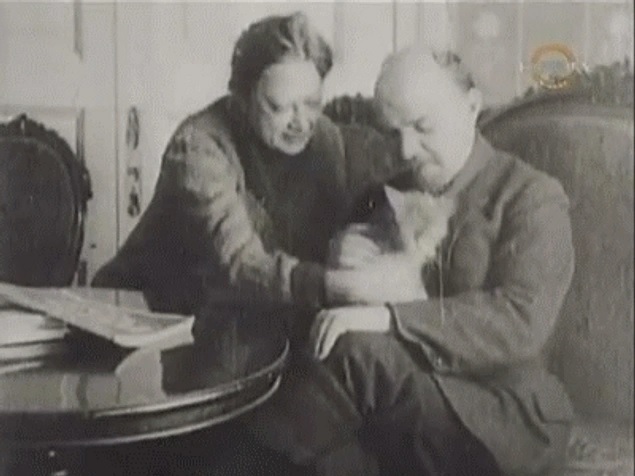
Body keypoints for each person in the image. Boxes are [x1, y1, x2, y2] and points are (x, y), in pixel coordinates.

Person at [246, 46, 576, 476]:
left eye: (423, 127)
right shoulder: (380, 196)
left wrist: (389, 317)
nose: (405, 150)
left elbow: (520, 320)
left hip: (501, 416)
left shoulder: (530, 196)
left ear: (471, 107)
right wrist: (339, 261)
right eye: (392, 132)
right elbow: (333, 308)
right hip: (396, 400)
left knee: (355, 352)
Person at [91, 12, 395, 334]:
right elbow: (238, 264)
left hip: (244, 321)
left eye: (312, 103)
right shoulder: (198, 147)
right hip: (141, 319)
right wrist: (339, 286)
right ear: (243, 98)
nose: (301, 122)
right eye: (279, 107)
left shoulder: (324, 139)